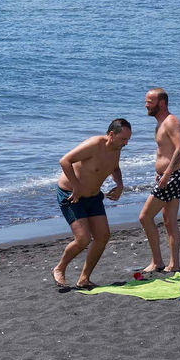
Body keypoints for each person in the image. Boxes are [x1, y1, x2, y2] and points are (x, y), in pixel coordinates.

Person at [51, 118, 129, 290]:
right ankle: (59, 268)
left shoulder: (117, 147)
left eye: (128, 139)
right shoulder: (94, 144)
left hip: (94, 197)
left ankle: (84, 278)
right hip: (72, 196)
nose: (126, 143)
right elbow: (65, 161)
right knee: (83, 239)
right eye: (123, 139)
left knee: (103, 236)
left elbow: (115, 167)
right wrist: (76, 186)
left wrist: (120, 185)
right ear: (111, 134)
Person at [138, 87, 180, 274]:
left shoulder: (171, 122)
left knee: (145, 217)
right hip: (170, 176)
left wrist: (166, 174)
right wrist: (161, 173)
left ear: (162, 103)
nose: (146, 105)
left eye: (150, 101)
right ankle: (174, 264)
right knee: (169, 221)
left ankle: (157, 261)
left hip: (172, 177)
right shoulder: (160, 124)